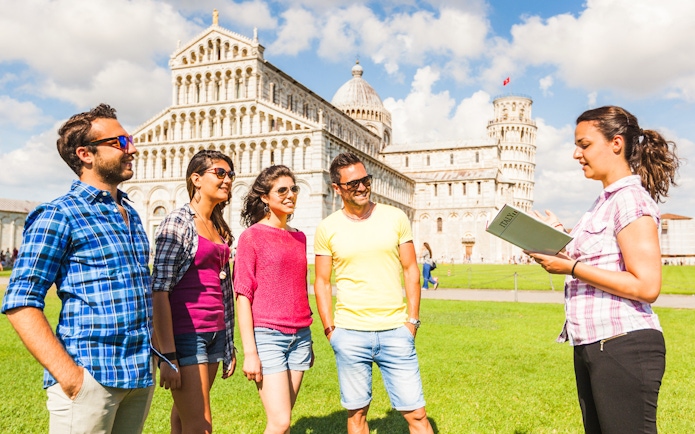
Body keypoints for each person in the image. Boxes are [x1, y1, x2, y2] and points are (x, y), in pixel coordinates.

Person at [526, 106, 680, 434]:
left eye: (584, 144)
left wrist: (571, 266)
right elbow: (599, 266)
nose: (576, 154)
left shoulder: (630, 200)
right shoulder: (603, 203)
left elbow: (647, 285)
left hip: (622, 344)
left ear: (616, 143)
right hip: (593, 344)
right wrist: (556, 245)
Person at [1, 104, 154, 433]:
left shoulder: (130, 213)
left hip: (138, 376)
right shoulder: (59, 214)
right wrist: (71, 378)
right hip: (90, 379)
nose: (133, 148)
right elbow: (20, 301)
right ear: (86, 154)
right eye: (121, 142)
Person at [314, 152, 433, 434]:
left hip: (396, 331)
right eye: (353, 183)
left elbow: (411, 269)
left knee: (417, 415)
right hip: (350, 333)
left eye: (366, 180)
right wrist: (331, 329)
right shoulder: (327, 227)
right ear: (337, 188)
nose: (362, 187)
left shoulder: (395, 217)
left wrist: (412, 321)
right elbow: (321, 281)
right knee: (356, 417)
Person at [151, 150, 237, 434]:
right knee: (201, 425)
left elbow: (223, 289)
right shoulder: (178, 222)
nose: (227, 180)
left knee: (182, 418)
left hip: (214, 333)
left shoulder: (218, 226)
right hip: (187, 335)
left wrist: (227, 343)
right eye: (220, 173)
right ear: (196, 179)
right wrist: (167, 355)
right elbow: (159, 290)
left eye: (230, 175)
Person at [234, 165, 313, 434]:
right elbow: (243, 295)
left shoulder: (299, 237)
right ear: (265, 197)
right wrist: (250, 353)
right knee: (280, 422)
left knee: (283, 421)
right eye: (282, 190)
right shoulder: (251, 237)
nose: (290, 194)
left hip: (301, 335)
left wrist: (308, 336)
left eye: (294, 189)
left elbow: (301, 287)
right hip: (267, 336)